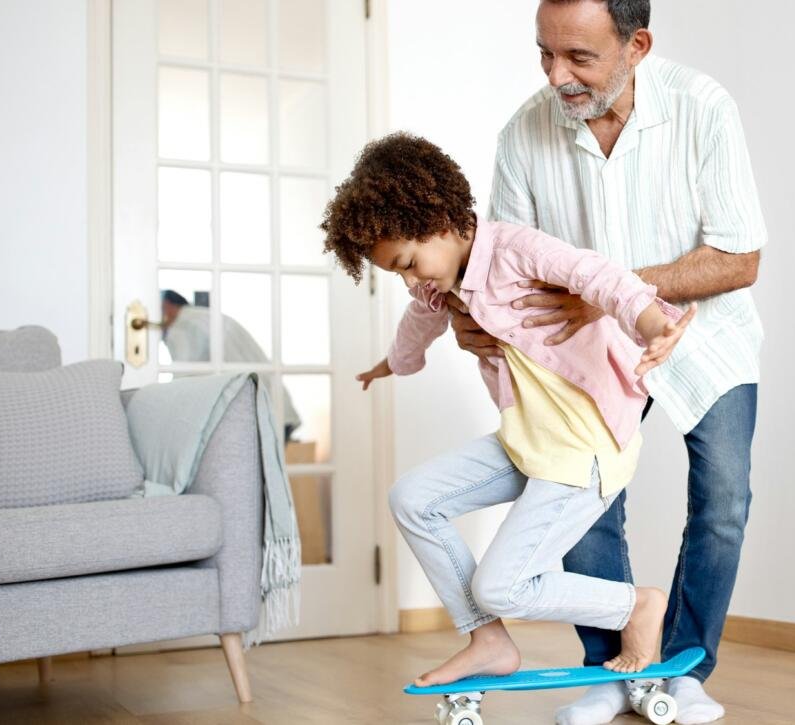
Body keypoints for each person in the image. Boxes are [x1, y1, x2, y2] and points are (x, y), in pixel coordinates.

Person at [447, 1, 768, 722]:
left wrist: (615, 293)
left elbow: (739, 257)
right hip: (585, 357)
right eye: (545, 53)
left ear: (637, 45)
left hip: (707, 342)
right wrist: (471, 321)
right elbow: (504, 267)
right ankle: (614, 667)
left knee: (724, 502)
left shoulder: (703, 109)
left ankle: (685, 668)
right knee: (583, 506)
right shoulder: (524, 132)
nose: (557, 75)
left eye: (580, 57)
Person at [321, 132, 698, 688]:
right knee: (413, 499)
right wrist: (391, 364)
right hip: (529, 442)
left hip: (581, 447)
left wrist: (652, 325)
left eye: (408, 262)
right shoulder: (438, 286)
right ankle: (488, 639)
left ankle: (635, 606)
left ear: (440, 220)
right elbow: (416, 325)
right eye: (396, 273)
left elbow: (602, 278)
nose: (410, 280)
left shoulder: (516, 249)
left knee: (499, 584)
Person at [160, 290, 303, 440]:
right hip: (276, 410)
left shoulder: (183, 325)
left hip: (256, 417)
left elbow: (181, 378)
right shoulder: (204, 317)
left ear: (167, 305)